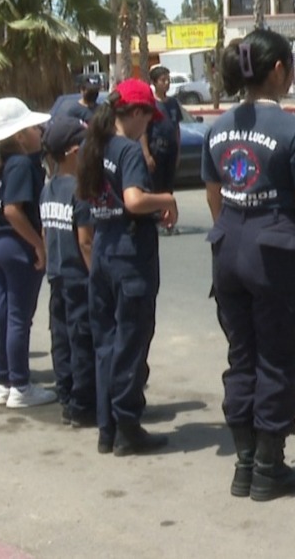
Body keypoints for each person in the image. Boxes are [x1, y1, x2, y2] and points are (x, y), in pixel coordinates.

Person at [202, 31, 295, 498]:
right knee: (277, 357)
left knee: (242, 356)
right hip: (276, 256)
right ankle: (268, 468)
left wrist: (232, 231)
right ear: (278, 71)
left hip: (230, 249)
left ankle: (244, 463)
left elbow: (214, 190)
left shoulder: (219, 127)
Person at [80, 79, 178, 456]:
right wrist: (166, 198)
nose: (149, 126)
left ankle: (108, 426)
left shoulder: (94, 145)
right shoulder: (126, 150)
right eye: (148, 118)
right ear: (134, 113)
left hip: (103, 245)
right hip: (129, 251)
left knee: (106, 342)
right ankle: (127, 424)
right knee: (131, 341)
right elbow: (135, 200)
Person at [0, 97, 56, 408]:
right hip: (17, 244)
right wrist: (38, 244)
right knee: (18, 318)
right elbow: (13, 210)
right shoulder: (22, 164)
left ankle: (4, 381)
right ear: (20, 136)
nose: (40, 130)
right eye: (34, 127)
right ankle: (21, 386)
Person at [41, 117, 96, 428]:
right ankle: (82, 404)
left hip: (57, 274)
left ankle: (66, 397)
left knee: (61, 338)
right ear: (75, 151)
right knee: (81, 341)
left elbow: (48, 232)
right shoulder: (80, 191)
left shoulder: (48, 189)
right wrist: (97, 279)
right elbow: (86, 242)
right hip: (78, 276)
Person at [148, 66, 184, 236]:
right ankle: (155, 221)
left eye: (168, 79)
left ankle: (168, 220)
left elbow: (176, 128)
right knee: (156, 186)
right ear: (154, 83)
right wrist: (147, 154)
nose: (167, 83)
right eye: (163, 80)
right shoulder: (150, 104)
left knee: (168, 187)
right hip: (156, 149)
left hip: (171, 149)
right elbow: (143, 131)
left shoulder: (173, 103)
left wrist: (178, 152)